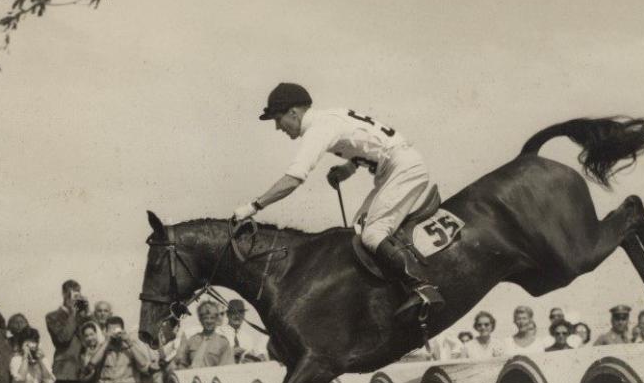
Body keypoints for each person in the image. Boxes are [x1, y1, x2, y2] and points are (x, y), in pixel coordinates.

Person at [231, 83, 443, 318]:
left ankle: (422, 287)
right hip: (396, 165)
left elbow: (293, 179)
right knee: (358, 230)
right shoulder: (330, 118)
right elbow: (368, 143)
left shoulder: (317, 129)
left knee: (372, 234)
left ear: (294, 112)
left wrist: (253, 206)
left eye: (278, 119)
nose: (278, 127)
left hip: (402, 168)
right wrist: (347, 169)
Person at [174, 301, 235, 368]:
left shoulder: (223, 343)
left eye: (212, 318)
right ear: (200, 320)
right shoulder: (192, 340)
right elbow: (182, 364)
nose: (209, 321)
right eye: (205, 318)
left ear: (216, 319)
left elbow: (226, 369)